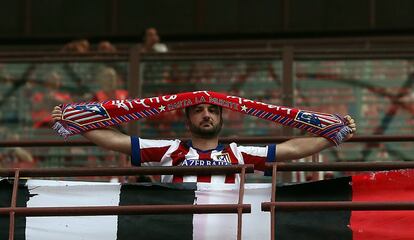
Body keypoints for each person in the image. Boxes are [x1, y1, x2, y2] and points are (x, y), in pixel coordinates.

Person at [51, 103, 356, 183]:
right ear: (188, 120)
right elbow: (117, 141)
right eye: (198, 111)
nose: (206, 116)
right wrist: (75, 123)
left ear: (222, 119)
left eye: (212, 111)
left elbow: (291, 150)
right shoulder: (170, 149)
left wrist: (333, 135)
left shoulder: (239, 152)